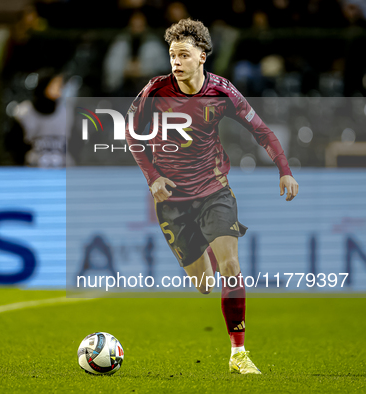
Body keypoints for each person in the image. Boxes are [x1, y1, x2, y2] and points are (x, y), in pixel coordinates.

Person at [126, 18, 299, 374]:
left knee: (231, 267)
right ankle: (205, 246)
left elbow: (262, 132)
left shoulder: (222, 92)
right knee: (205, 285)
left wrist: (285, 170)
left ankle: (238, 353)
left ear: (202, 56)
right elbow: (131, 134)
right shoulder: (156, 91)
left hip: (213, 190)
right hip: (172, 201)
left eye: (184, 55)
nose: (176, 61)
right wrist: (153, 178)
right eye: (172, 55)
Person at [6, 72, 69, 168]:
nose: (60, 90)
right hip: (32, 169)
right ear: (44, 86)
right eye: (56, 85)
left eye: (61, 86)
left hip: (61, 169)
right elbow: (14, 144)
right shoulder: (25, 112)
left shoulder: (66, 112)